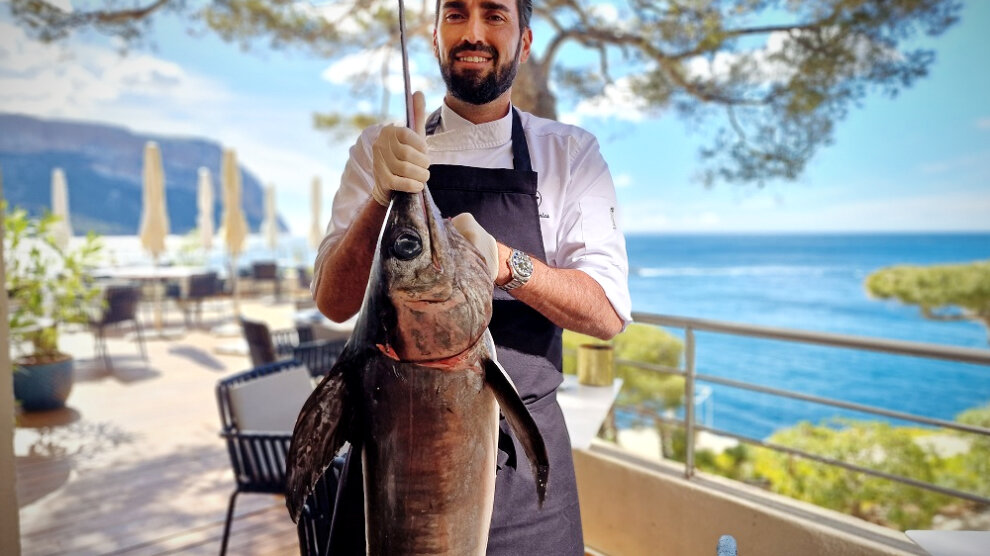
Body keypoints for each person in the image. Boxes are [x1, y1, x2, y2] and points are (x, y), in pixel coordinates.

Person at [311, 0, 632, 552]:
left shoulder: (570, 154)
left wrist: (508, 264)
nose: (473, 33)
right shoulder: (378, 151)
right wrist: (377, 199)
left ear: (524, 42)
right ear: (434, 36)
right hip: (391, 464)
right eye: (455, 15)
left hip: (522, 465)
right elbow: (333, 301)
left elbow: (605, 314)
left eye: (494, 15)